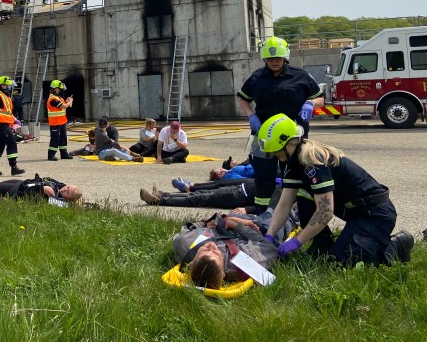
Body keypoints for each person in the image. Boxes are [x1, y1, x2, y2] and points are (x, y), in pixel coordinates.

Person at [259, 114, 414, 266]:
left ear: (287, 143)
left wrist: (297, 242)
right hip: (355, 212)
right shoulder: (293, 163)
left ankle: (396, 246)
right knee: (304, 199)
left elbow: (325, 212)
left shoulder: (313, 161)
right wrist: (270, 235)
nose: (273, 155)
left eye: (276, 151)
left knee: (341, 264)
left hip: (374, 214)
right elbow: (284, 204)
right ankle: (322, 245)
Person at [237, 36, 324, 214]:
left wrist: (311, 104)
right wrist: (251, 115)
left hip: (293, 137)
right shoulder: (256, 77)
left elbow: (320, 98)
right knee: (263, 175)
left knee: (295, 175)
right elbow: (243, 98)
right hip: (263, 136)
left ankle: (294, 212)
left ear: (285, 57)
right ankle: (263, 212)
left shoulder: (301, 75)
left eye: (278, 58)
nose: (274, 62)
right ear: (264, 59)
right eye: (270, 59)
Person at [173, 209, 298, 289]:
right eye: (215, 253)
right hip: (256, 230)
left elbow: (197, 225)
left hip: (230, 220)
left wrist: (216, 222)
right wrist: (238, 226)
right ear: (223, 273)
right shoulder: (243, 263)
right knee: (279, 219)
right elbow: (267, 246)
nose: (211, 246)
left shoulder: (184, 244)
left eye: (204, 250)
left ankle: (269, 209)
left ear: (191, 263)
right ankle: (293, 213)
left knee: (264, 212)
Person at [0, 76, 25, 176]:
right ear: (2, 85)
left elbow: (7, 112)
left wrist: (15, 119)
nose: (9, 87)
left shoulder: (6, 97)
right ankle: (14, 167)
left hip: (4, 124)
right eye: (7, 85)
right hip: (0, 124)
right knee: (12, 143)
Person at [141, 178, 258, 209]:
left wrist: (248, 209)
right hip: (240, 188)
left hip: (240, 196)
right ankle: (162, 195)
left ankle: (158, 201)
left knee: (198, 198)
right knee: (200, 194)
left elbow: (271, 208)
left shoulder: (277, 193)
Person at [0, 175, 82, 207]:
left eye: (67, 192)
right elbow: (49, 179)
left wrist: (42, 188)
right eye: (67, 187)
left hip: (21, 191)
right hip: (25, 184)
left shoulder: (59, 201)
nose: (65, 189)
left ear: (68, 199)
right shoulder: (60, 186)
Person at [46, 79, 73, 161]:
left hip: (62, 122)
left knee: (63, 138)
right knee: (55, 139)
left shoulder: (58, 97)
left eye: (59, 89)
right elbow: (63, 106)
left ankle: (64, 154)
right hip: (55, 123)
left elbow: (63, 104)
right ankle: (51, 155)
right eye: (58, 89)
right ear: (54, 89)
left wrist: (67, 101)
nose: (59, 90)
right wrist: (70, 102)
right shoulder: (52, 99)